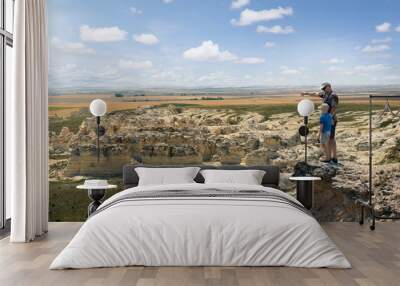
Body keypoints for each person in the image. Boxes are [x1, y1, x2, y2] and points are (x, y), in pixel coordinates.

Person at [301, 82, 339, 163]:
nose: (324, 90)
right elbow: (316, 93)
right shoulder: (325, 94)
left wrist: (329, 118)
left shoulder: (333, 96)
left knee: (329, 139)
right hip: (328, 119)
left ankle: (330, 157)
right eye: (323, 89)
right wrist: (306, 93)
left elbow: (334, 108)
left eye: (325, 88)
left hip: (330, 120)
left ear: (329, 86)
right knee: (331, 138)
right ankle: (333, 157)